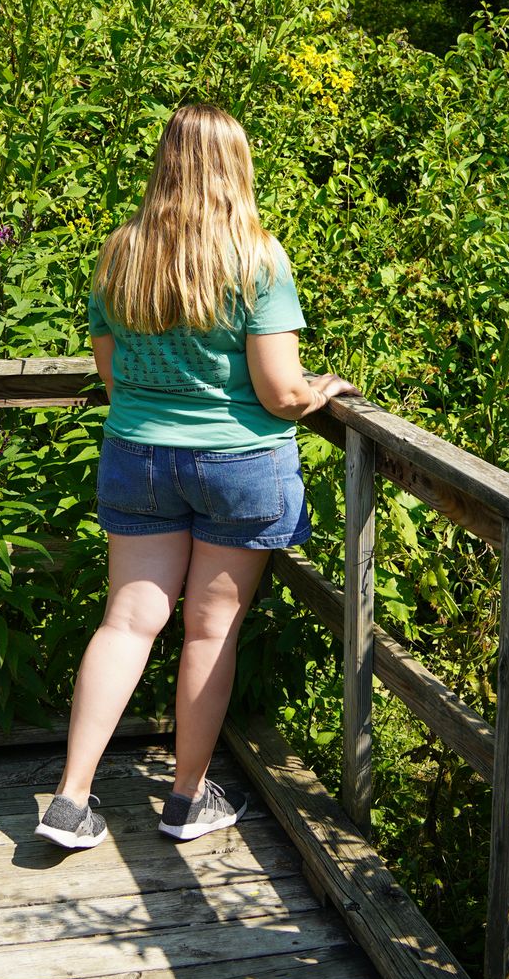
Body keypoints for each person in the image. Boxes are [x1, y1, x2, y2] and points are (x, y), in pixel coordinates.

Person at [35, 101, 356, 850]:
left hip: (138, 453)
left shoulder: (123, 252)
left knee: (126, 621)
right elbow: (279, 392)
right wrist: (321, 391)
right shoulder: (257, 259)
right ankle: (185, 799)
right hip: (239, 462)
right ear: (235, 165)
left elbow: (112, 374)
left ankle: (71, 799)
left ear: (165, 162)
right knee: (209, 632)